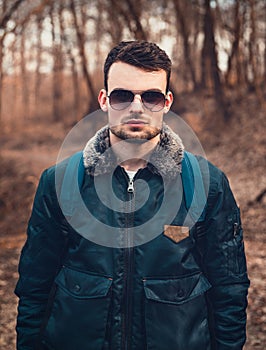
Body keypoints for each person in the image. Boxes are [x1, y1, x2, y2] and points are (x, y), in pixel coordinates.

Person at [15, 41, 250, 350]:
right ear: (104, 100)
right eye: (122, 96)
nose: (136, 107)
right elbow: (35, 288)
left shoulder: (208, 184)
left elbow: (229, 292)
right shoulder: (58, 183)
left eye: (150, 96)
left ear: (166, 103)